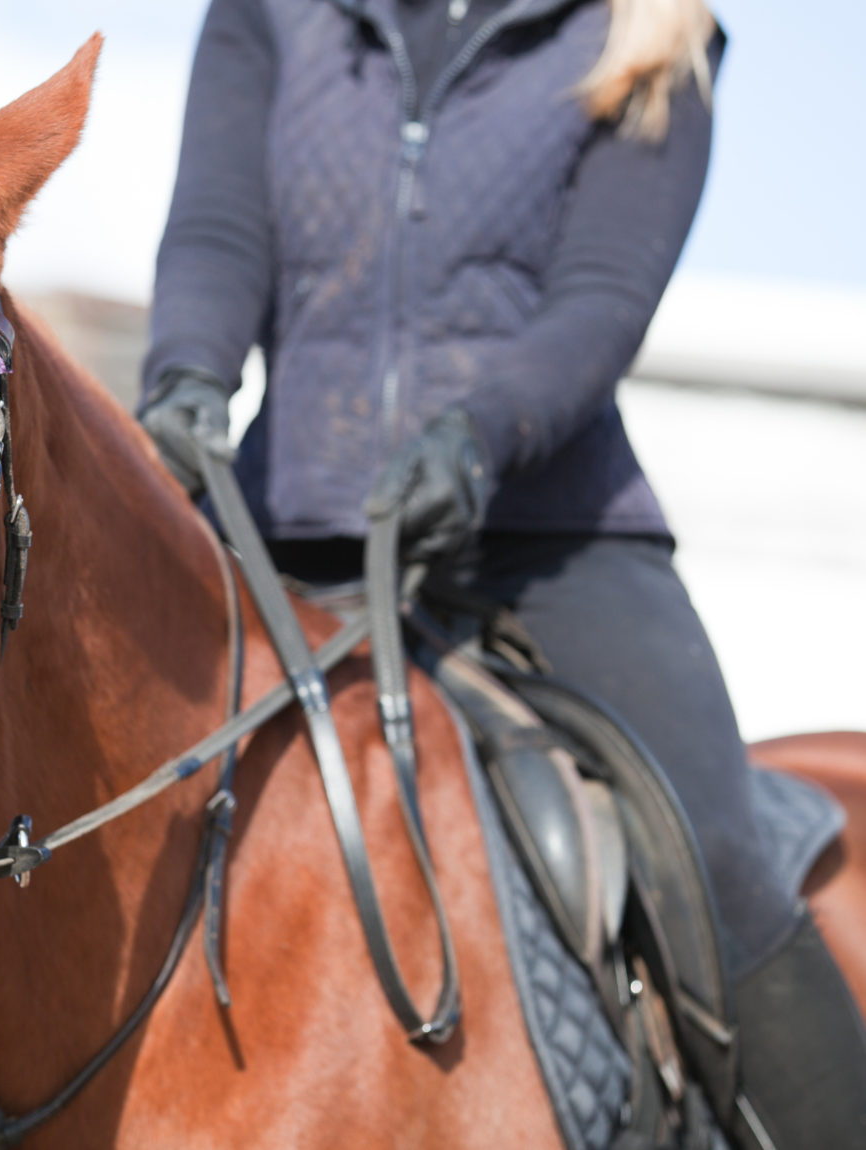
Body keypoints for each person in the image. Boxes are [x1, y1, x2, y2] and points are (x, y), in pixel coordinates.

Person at [138, 0, 866, 1144]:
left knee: (717, 858)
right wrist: (186, 376)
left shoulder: (649, 30)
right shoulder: (270, 14)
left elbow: (600, 302)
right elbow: (218, 227)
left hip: (548, 531)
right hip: (290, 521)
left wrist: (480, 435)